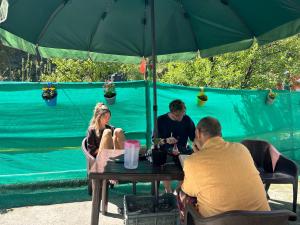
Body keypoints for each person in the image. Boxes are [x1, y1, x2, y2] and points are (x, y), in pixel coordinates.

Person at [178, 117, 270, 222]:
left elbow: (188, 190)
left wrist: (197, 154)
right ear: (220, 133)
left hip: (219, 221)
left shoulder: (192, 161)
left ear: (197, 133)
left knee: (182, 194)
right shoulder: (241, 148)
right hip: (264, 220)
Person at [157, 99, 195, 193]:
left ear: (184, 110)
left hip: (182, 151)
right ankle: (168, 190)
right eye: (176, 115)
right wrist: (165, 140)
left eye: (182, 114)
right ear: (171, 112)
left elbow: (194, 138)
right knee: (162, 164)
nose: (180, 117)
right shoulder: (161, 120)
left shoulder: (187, 120)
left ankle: (178, 191)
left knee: (189, 166)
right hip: (165, 151)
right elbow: (154, 140)